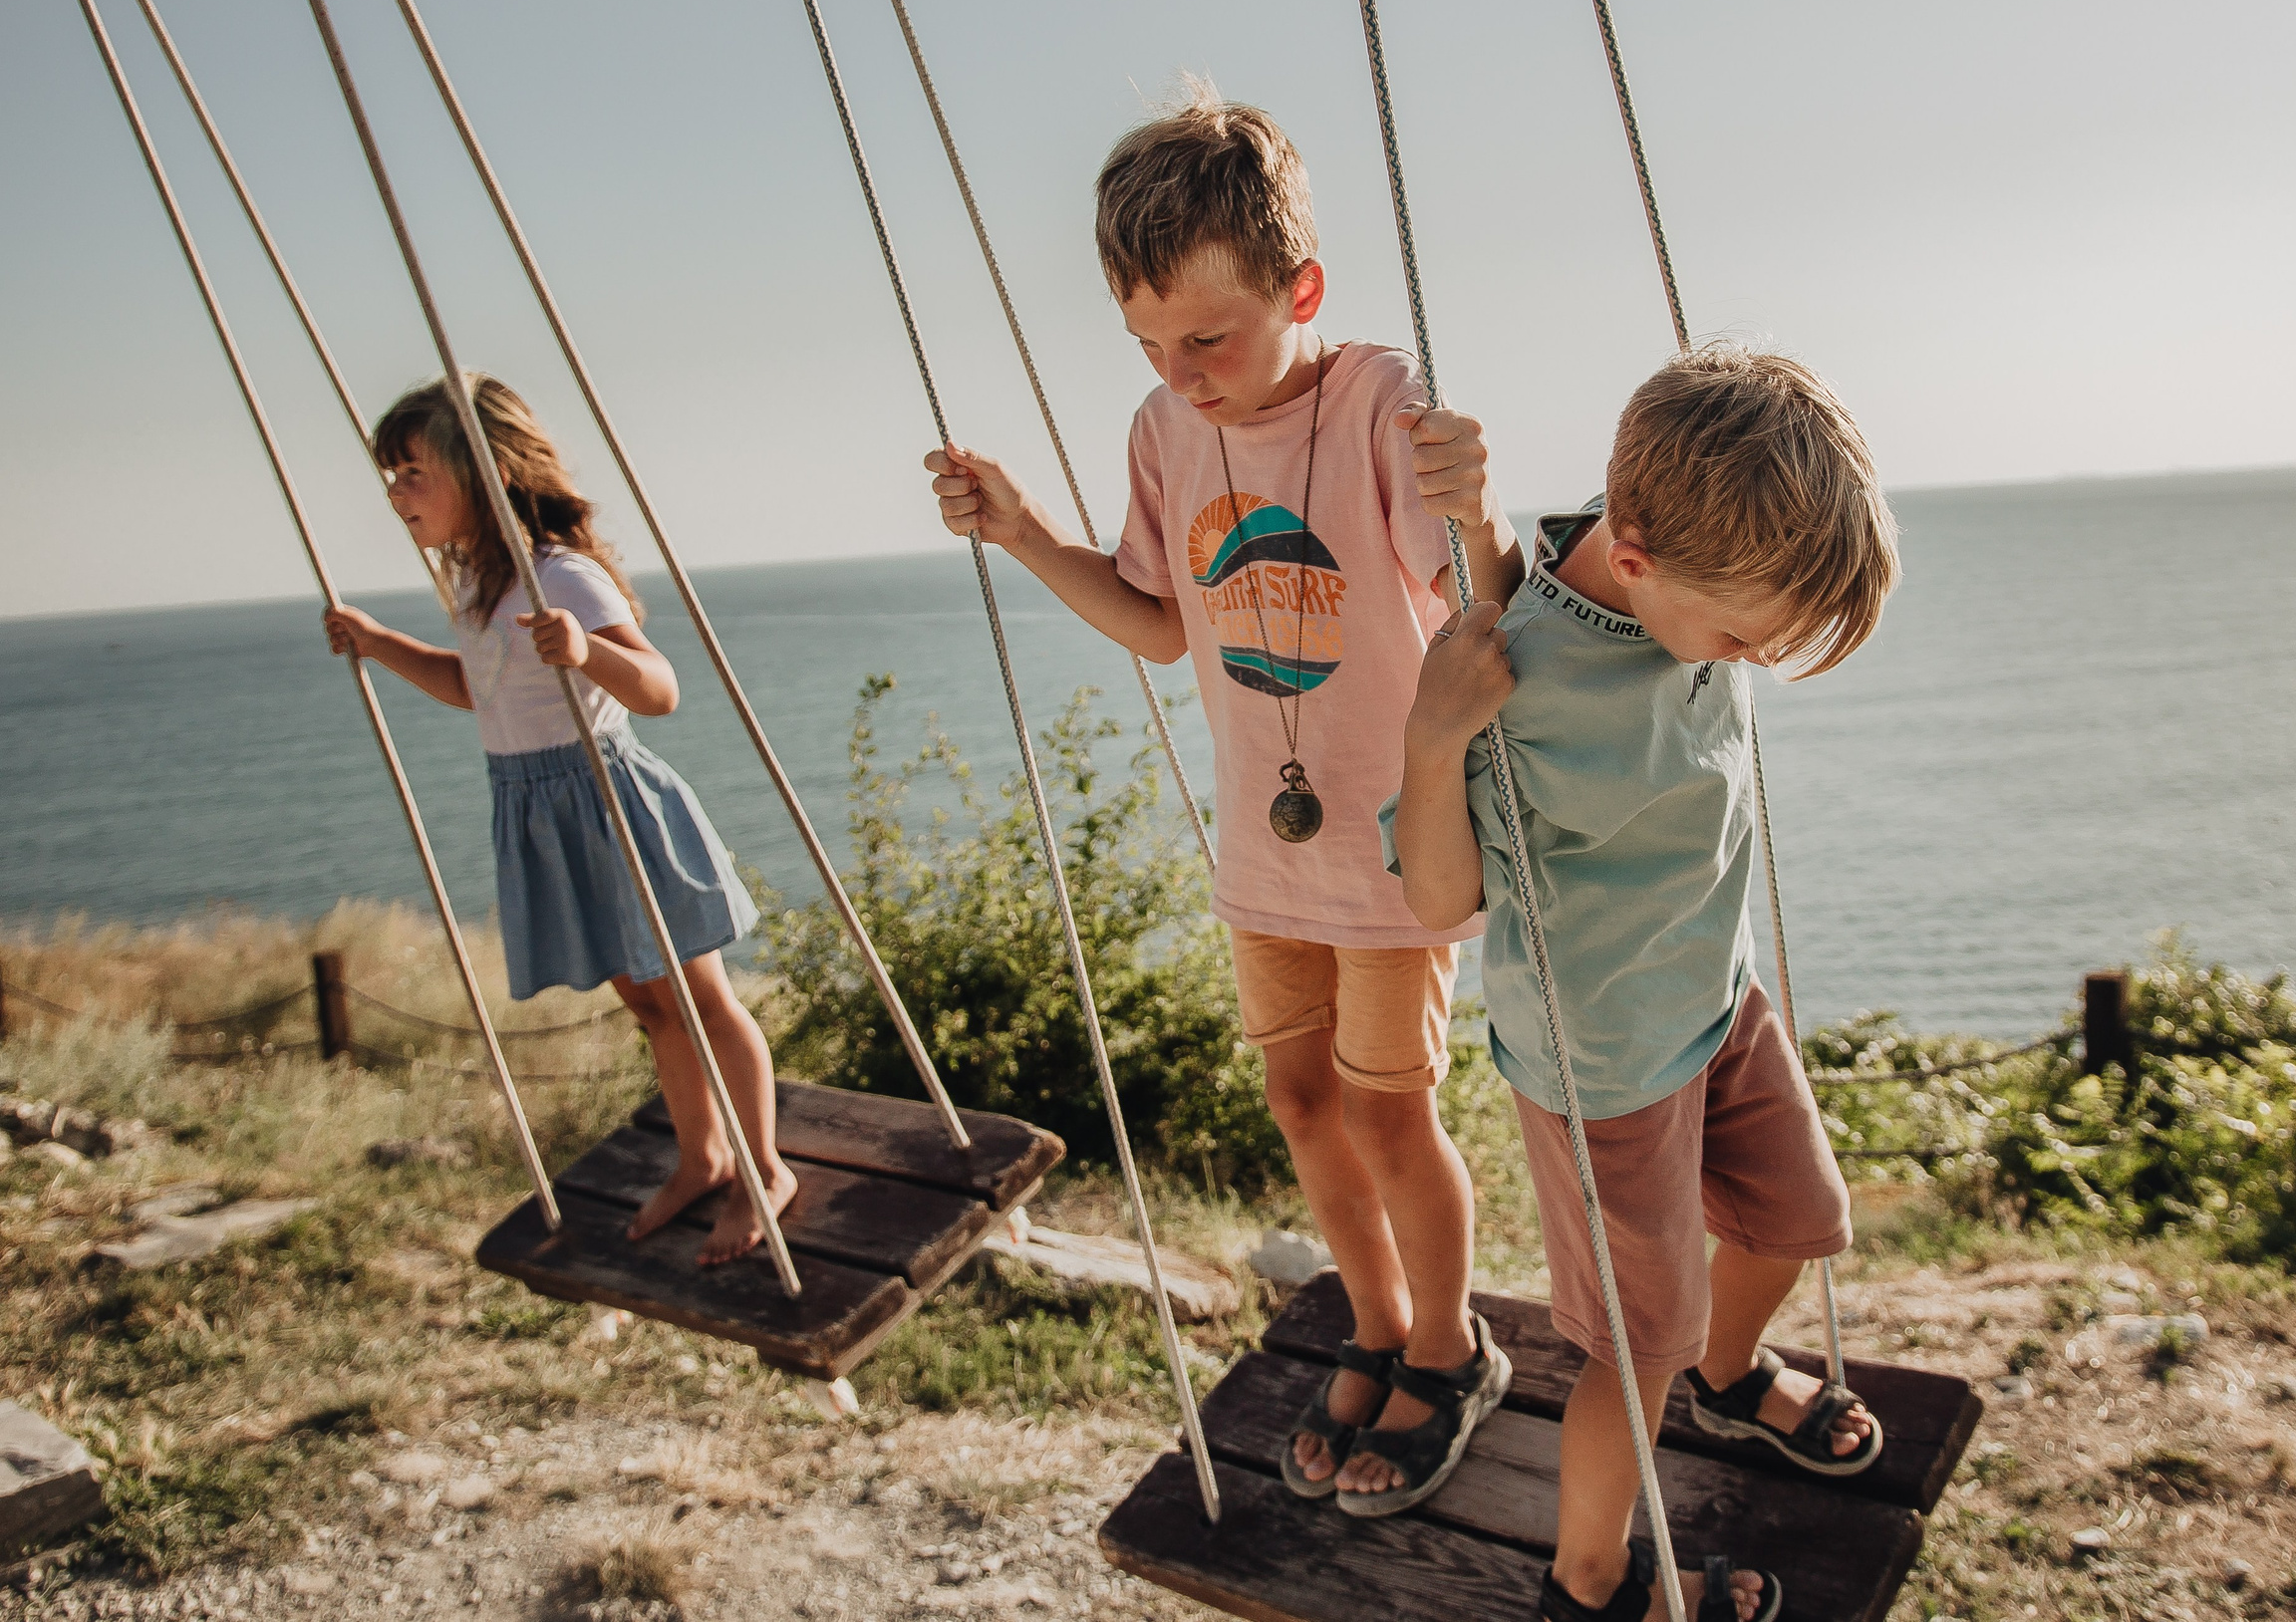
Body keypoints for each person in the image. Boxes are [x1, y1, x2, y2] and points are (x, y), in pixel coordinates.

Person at [927, 84, 1523, 1514]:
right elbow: (1158, 622)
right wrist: (1024, 532)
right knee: (1300, 1098)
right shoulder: (1164, 427)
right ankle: (1376, 1321)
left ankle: (1451, 1347)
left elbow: (1483, 605)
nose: (1181, 372)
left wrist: (1479, 506)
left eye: (1208, 337)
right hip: (1264, 841)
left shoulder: (1377, 399)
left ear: (1300, 289)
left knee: (1391, 1115)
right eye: (1148, 342)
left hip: (1391, 845)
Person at [1386, 345, 1902, 1621]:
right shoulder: (1507, 682)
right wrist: (1434, 734)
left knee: (1799, 1219)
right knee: (1635, 1346)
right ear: (1633, 562)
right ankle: (1590, 1578)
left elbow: (1554, 566)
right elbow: (1439, 903)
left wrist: (1479, 519)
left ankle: (1729, 1374)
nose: (1747, 660)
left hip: (1717, 998)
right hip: (1604, 1065)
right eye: (1739, 639)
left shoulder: (1666, 557)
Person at [324, 374, 793, 1268]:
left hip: (611, 805)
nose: (395, 493)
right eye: (391, 475)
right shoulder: (475, 582)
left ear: (485, 472)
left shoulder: (561, 575)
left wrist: (585, 649)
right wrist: (381, 644)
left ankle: (763, 1168)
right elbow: (477, 687)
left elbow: (658, 689)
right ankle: (704, 1156)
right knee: (647, 1004)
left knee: (700, 998)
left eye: (413, 472)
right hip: (544, 816)